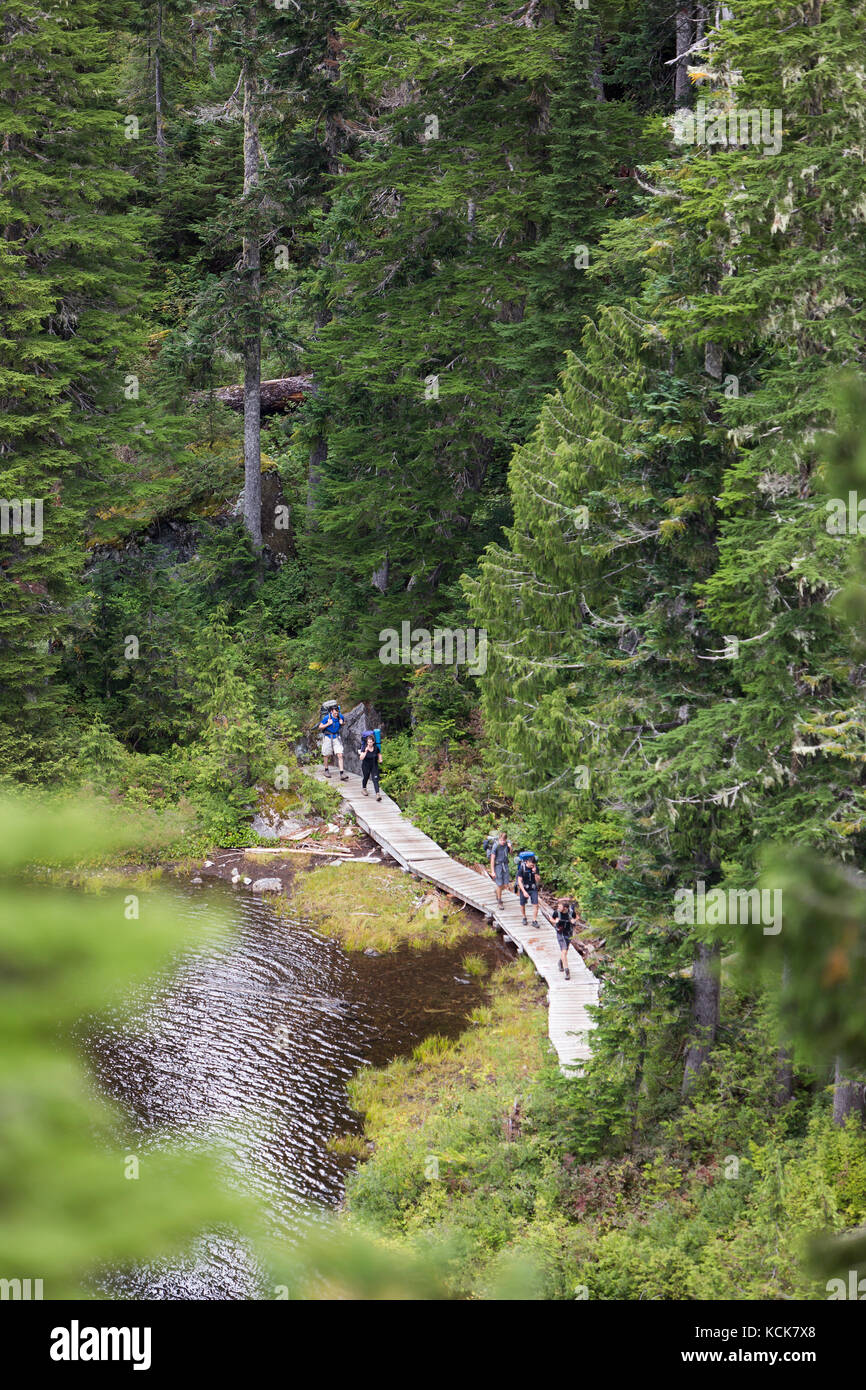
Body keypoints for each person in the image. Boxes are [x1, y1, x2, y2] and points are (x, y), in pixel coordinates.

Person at [318, 700, 347, 780]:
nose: (336, 714)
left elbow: (344, 722)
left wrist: (342, 723)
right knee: (326, 755)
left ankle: (342, 773)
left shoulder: (340, 716)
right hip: (328, 737)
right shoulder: (327, 717)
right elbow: (320, 727)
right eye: (334, 713)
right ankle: (326, 770)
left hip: (336, 737)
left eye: (337, 712)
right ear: (331, 711)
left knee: (340, 754)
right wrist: (328, 724)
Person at [552, 897, 577, 980]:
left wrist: (574, 920)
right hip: (560, 934)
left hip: (569, 933)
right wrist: (555, 921)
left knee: (565, 952)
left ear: (565, 908)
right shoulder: (556, 913)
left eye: (560, 906)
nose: (558, 908)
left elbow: (577, 917)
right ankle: (567, 972)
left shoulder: (571, 912)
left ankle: (560, 962)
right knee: (564, 951)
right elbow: (551, 918)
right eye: (558, 906)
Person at [515, 851, 540, 926]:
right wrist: (524, 891)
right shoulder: (522, 868)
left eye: (533, 864)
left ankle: (534, 920)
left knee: (535, 904)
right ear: (527, 862)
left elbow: (538, 880)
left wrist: (535, 872)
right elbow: (519, 881)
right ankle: (524, 917)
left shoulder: (535, 868)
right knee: (522, 904)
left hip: (533, 888)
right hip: (524, 888)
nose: (532, 866)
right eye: (531, 864)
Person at [488, 830, 512, 907]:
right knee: (499, 884)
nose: (502, 842)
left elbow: (511, 853)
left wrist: (510, 847)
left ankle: (497, 892)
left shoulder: (506, 844)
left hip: (505, 865)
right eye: (501, 840)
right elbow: (492, 859)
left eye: (504, 840)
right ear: (499, 839)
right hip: (498, 866)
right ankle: (499, 901)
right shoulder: (496, 846)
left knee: (505, 885)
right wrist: (492, 871)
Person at [359, 732, 382, 800]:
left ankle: (378, 794)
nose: (369, 744)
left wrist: (380, 759)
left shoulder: (376, 748)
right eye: (368, 742)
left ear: (373, 742)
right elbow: (361, 758)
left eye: (371, 742)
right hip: (366, 766)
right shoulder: (364, 748)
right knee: (366, 777)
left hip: (374, 765)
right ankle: (364, 789)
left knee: (375, 779)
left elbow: (379, 754)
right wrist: (365, 751)